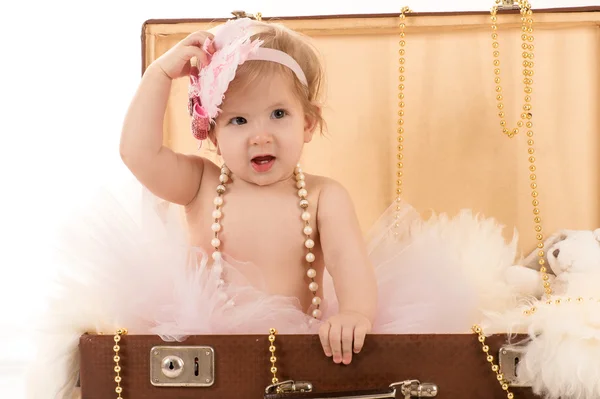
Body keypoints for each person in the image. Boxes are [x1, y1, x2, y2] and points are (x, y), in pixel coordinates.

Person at [119, 16, 377, 366]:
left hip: (295, 347)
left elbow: (349, 263)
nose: (260, 135)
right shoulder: (200, 184)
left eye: (278, 113)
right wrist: (159, 75)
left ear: (307, 123)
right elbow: (139, 154)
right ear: (213, 136)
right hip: (206, 346)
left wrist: (354, 313)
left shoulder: (323, 197)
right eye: (238, 120)